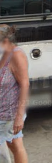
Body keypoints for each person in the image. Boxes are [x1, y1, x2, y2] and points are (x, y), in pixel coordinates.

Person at [0, 25, 29, 163]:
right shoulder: (3, 53)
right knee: (16, 145)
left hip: (8, 114)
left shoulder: (16, 55)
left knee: (10, 147)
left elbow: (25, 85)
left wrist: (19, 117)